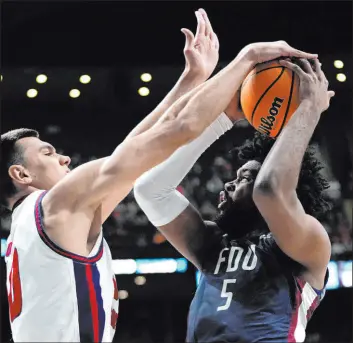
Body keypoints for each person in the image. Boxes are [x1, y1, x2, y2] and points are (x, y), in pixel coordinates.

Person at [1, 8, 316, 342]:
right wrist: (245, 60)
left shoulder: (44, 219)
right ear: (21, 173)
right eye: (48, 153)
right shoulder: (57, 205)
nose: (63, 157)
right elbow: (179, 129)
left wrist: (192, 79)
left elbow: (132, 149)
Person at [134, 57, 334, 342]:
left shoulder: (307, 241)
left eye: (243, 178)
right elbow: (150, 191)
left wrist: (309, 109)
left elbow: (271, 190)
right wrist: (224, 119)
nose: (228, 184)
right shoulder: (213, 243)